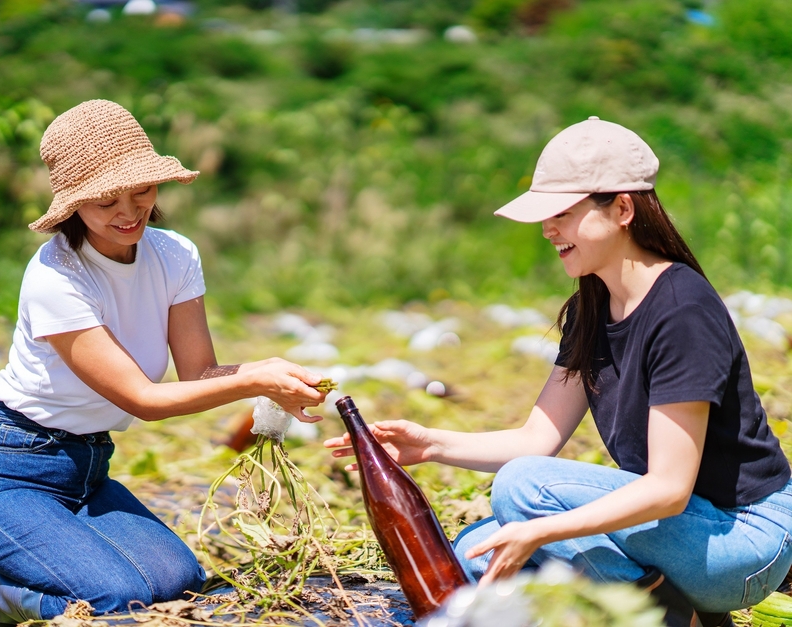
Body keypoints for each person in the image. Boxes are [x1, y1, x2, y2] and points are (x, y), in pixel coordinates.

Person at [325, 117, 792, 627]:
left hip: (742, 541)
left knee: (523, 489)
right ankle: (661, 605)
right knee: (473, 551)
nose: (549, 230)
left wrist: (542, 532)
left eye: (562, 214)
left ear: (622, 209)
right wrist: (430, 444)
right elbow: (535, 440)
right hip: (682, 528)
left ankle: (663, 616)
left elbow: (668, 488)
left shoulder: (682, 311)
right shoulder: (590, 309)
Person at [0, 99, 330, 627]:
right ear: (73, 204)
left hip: (88, 471)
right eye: (107, 202)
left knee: (180, 583)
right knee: (116, 599)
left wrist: (270, 373)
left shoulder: (174, 255)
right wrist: (255, 379)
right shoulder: (55, 277)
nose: (129, 213)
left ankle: (58, 556)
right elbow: (142, 401)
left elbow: (199, 373)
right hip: (9, 473)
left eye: (142, 192)